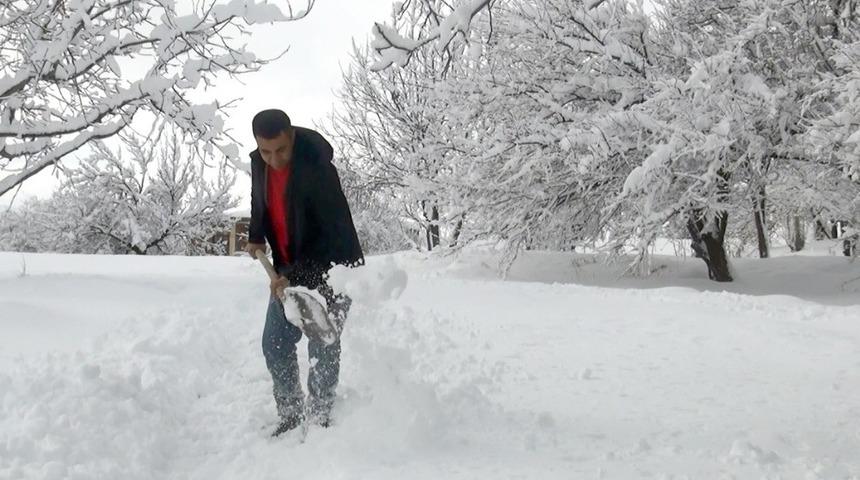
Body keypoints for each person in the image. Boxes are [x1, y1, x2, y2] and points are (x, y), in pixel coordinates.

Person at [245, 109, 363, 436]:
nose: (274, 159)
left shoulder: (319, 170)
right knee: (275, 343)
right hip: (289, 270)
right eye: (266, 151)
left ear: (292, 136)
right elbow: (259, 202)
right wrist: (256, 235)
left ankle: (320, 414)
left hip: (334, 268)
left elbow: (330, 236)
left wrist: (293, 278)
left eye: (281, 149)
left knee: (323, 343)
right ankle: (291, 411)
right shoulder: (260, 164)